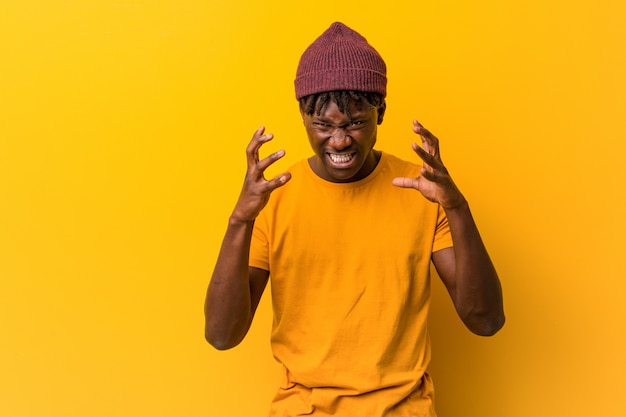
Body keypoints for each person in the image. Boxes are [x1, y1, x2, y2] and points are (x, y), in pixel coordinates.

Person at [204, 22, 505, 417]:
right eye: (323, 125)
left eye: (355, 123)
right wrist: (239, 221)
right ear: (303, 115)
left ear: (380, 112)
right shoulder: (272, 200)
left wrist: (458, 208)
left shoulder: (422, 191)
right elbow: (222, 336)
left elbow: (485, 320)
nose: (340, 140)